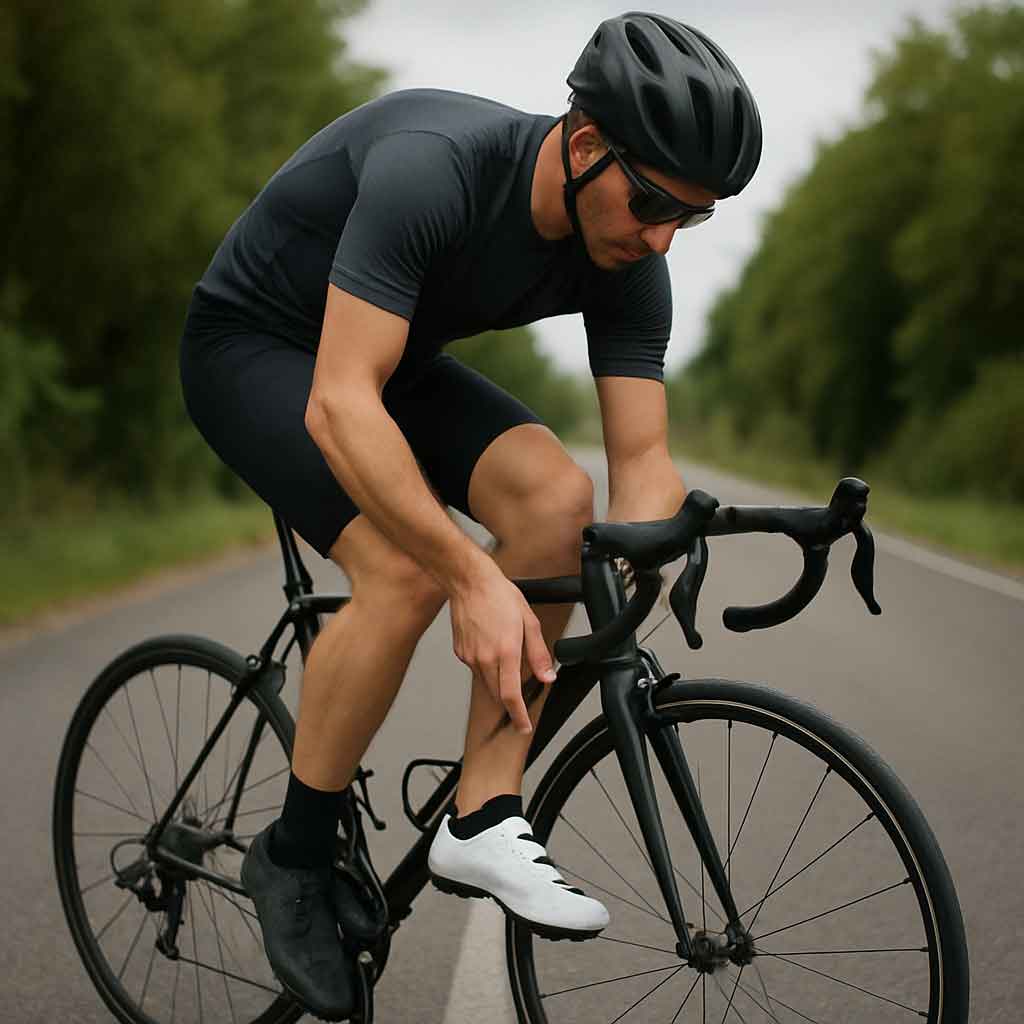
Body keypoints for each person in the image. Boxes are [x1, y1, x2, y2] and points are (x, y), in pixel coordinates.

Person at [179, 11, 761, 1020]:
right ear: (585, 146)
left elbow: (641, 458)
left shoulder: (627, 251)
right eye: (654, 202)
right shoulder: (434, 167)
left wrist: (642, 555)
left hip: (383, 357)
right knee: (404, 573)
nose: (663, 235)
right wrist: (469, 574)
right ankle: (292, 855)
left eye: (692, 218)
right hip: (255, 347)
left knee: (557, 499)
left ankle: (483, 811)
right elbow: (337, 403)